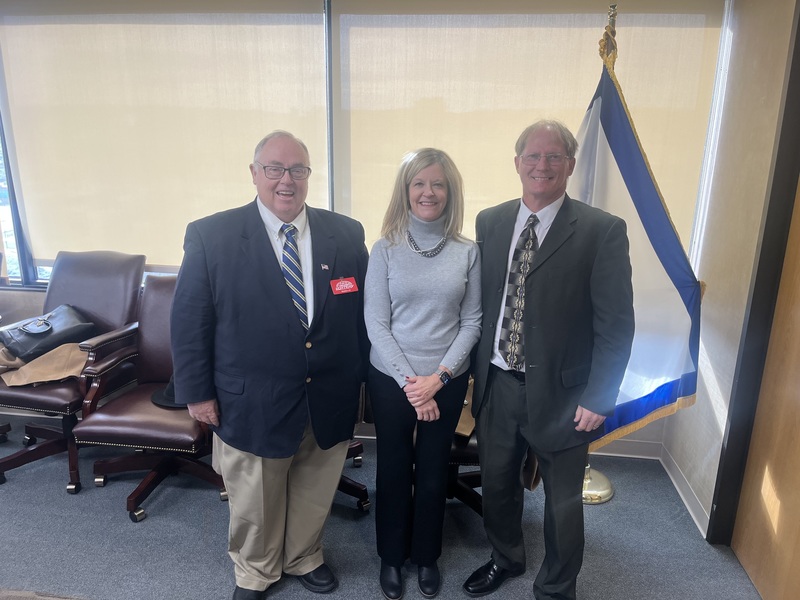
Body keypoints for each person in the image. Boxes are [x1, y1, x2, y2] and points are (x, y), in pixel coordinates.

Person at [170, 130, 369, 600]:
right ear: (255, 173)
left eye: (298, 170)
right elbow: (190, 321)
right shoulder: (211, 235)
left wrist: (362, 383)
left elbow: (362, 314)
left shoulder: (346, 232)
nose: (287, 180)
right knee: (255, 495)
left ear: (308, 176)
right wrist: (198, 394)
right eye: (275, 169)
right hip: (251, 395)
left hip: (329, 391)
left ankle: (303, 556)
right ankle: (256, 571)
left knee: (315, 484)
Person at [463, 120, 635, 600]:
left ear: (570, 165)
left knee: (562, 504)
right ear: (517, 162)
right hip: (498, 385)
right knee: (496, 487)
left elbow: (617, 325)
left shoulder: (602, 230)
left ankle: (557, 588)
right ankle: (506, 559)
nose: (542, 165)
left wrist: (601, 394)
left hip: (566, 394)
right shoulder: (490, 221)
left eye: (554, 156)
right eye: (532, 156)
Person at [365, 148, 482, 600]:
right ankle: (391, 558)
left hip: (446, 381)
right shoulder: (386, 248)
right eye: (419, 183)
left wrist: (440, 377)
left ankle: (426, 556)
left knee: (434, 470)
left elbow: (472, 322)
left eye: (437, 184)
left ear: (449, 192)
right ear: (406, 191)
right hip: (393, 380)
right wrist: (413, 384)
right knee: (393, 468)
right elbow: (375, 323)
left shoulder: (467, 252)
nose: (428, 192)